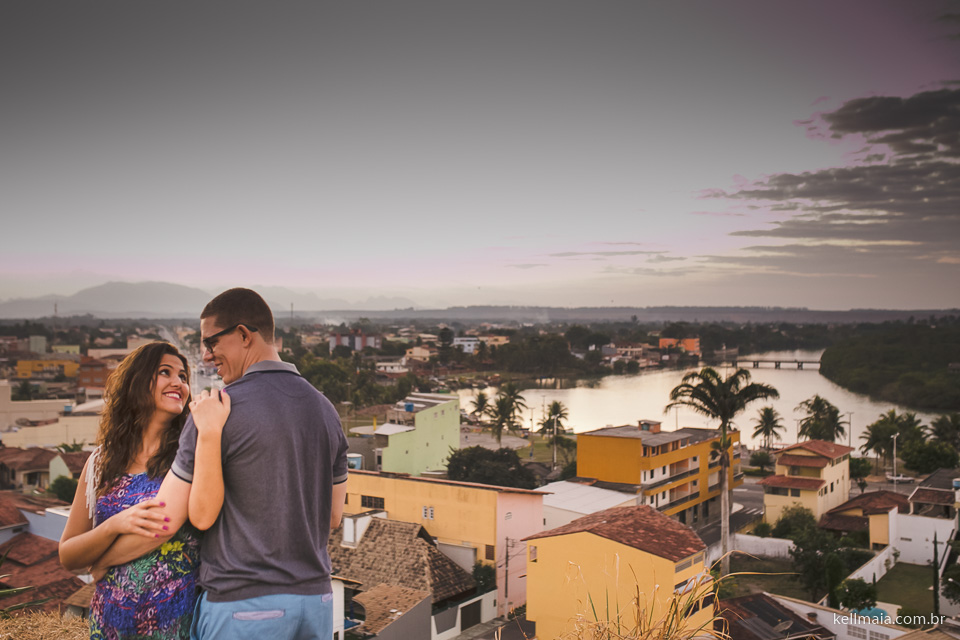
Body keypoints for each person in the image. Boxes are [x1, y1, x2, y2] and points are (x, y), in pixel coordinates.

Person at [92, 288, 349, 640]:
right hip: (316, 603)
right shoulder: (326, 411)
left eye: (211, 343)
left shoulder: (217, 411)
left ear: (244, 335)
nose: (206, 355)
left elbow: (164, 521)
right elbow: (333, 517)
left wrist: (104, 560)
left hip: (244, 608)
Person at [59, 342, 203, 639]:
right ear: (137, 382)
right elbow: (68, 554)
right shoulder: (100, 463)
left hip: (175, 621)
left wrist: (102, 561)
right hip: (109, 622)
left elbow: (160, 527)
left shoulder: (191, 459)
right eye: (165, 372)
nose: (178, 382)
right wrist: (114, 525)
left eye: (183, 377)